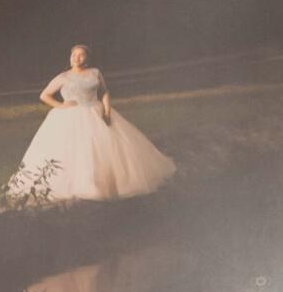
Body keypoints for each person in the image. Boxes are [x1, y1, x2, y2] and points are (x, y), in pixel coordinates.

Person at [10, 44, 176, 203]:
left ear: (87, 58)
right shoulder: (63, 77)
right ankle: (80, 186)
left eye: (81, 55)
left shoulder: (95, 73)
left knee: (105, 148)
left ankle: (107, 185)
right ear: (70, 57)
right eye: (74, 55)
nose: (77, 57)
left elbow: (104, 91)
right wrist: (61, 105)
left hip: (94, 111)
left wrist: (107, 111)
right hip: (70, 116)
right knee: (72, 150)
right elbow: (44, 95)